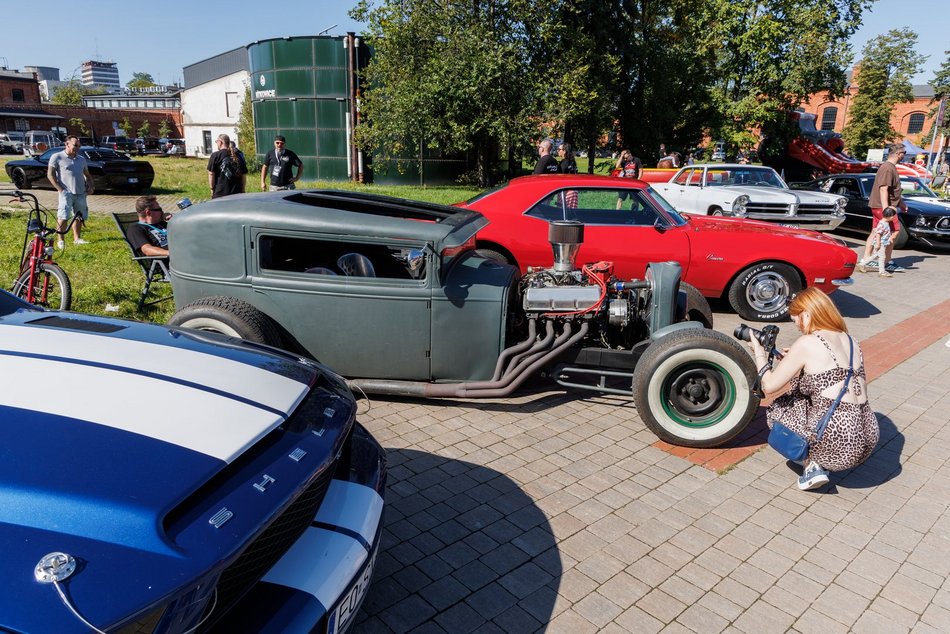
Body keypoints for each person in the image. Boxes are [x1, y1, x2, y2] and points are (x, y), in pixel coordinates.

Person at [749, 288, 879, 491]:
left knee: (778, 408)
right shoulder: (852, 341)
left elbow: (769, 385)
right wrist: (797, 360)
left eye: (796, 320)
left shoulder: (807, 343)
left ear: (807, 315)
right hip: (868, 437)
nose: (799, 327)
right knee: (813, 398)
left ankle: (812, 464)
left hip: (837, 440)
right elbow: (835, 372)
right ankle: (819, 457)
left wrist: (759, 354)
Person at [864, 142, 907, 272]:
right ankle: (886, 261)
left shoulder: (890, 167)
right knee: (895, 231)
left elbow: (893, 190)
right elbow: (884, 189)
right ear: (899, 154)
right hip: (883, 207)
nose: (904, 156)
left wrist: (901, 203)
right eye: (903, 154)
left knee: (875, 231)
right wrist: (886, 210)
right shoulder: (888, 168)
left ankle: (866, 259)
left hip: (881, 206)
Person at [46, 134, 94, 248]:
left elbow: (87, 175)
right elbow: (50, 174)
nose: (77, 148)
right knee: (63, 216)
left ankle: (77, 238)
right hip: (66, 193)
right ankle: (60, 240)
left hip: (81, 193)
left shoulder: (81, 159)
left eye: (79, 146)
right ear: (67, 144)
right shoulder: (57, 157)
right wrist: (60, 189)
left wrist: (91, 186)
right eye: (75, 145)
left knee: (79, 216)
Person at [126, 195, 169, 264]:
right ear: (148, 213)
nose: (162, 212)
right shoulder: (135, 229)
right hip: (170, 263)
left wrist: (173, 220)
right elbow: (147, 249)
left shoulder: (162, 223)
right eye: (159, 209)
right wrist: (173, 254)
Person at [857, 207, 897, 277]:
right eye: (893, 216)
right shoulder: (882, 224)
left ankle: (861, 264)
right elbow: (878, 234)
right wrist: (878, 243)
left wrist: (889, 238)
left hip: (883, 243)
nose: (893, 217)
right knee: (882, 257)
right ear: (889, 216)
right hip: (880, 243)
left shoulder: (885, 223)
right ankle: (882, 272)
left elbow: (885, 233)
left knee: (875, 256)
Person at [207, 133, 248, 198]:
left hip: (220, 193)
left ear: (220, 142)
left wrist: (212, 188)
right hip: (237, 193)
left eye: (217, 142)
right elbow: (243, 175)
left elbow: (211, 174)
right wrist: (243, 189)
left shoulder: (215, 155)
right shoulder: (238, 155)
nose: (216, 143)